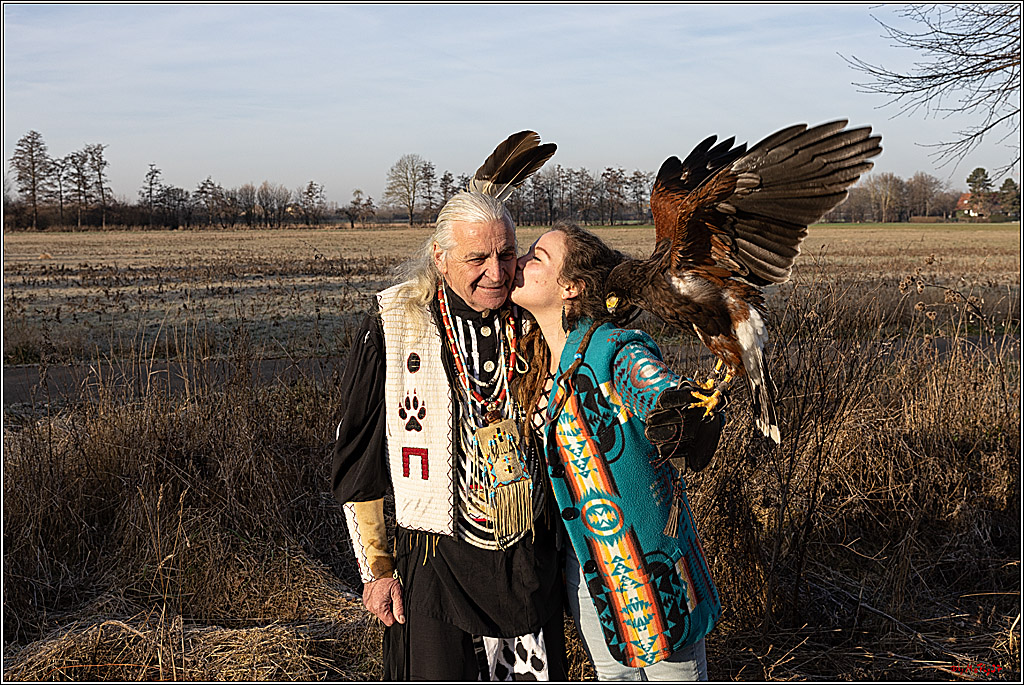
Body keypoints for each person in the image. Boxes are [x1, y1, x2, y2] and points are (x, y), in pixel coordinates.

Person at [331, 191, 567, 681]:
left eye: (506, 254)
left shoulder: (537, 317)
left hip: (526, 566)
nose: (497, 273)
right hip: (435, 565)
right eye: (476, 258)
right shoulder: (394, 325)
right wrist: (376, 571)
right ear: (440, 258)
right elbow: (361, 463)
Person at [510, 222, 724, 681]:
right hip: (589, 575)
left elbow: (648, 382)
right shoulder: (537, 360)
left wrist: (676, 407)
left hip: (654, 572)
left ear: (571, 287)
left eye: (538, 256)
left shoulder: (611, 347)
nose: (523, 261)